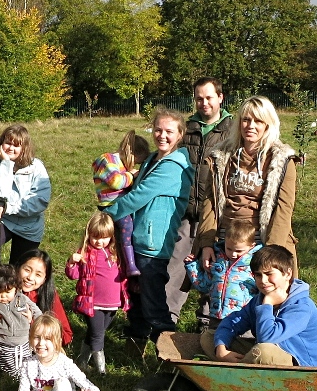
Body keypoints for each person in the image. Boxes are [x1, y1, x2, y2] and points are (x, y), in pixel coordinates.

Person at [103, 108, 192, 342]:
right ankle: (135, 347)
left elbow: (138, 196)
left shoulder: (174, 166)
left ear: (180, 134)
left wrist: (106, 215)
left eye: (169, 131)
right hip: (138, 239)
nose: (162, 135)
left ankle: (169, 353)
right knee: (137, 300)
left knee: (154, 305)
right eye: (158, 129)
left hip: (153, 244)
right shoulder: (152, 159)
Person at [195, 95, 299, 273]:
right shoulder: (220, 156)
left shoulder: (282, 160)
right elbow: (209, 204)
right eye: (246, 120)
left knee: (265, 296)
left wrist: (271, 253)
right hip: (225, 242)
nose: (251, 126)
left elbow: (284, 209)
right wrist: (206, 244)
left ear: (268, 124)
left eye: (258, 121)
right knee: (221, 296)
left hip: (262, 241)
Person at [166, 78, 236, 320]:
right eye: (199, 98)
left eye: (208, 97)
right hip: (186, 211)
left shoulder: (232, 129)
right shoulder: (187, 129)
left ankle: (208, 319)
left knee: (214, 265)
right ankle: (167, 319)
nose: (204, 102)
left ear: (220, 97)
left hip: (217, 212)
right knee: (175, 267)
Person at [210, 245, 317, 367]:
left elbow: (267, 338)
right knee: (210, 337)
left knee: (263, 351)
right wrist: (221, 349)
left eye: (269, 273)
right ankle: (238, 366)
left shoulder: (301, 307)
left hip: (302, 363)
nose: (263, 280)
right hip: (267, 352)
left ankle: (236, 371)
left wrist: (267, 304)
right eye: (258, 275)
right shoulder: (258, 300)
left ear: (287, 274)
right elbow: (232, 322)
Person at [0, 124, 51, 287]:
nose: (10, 148)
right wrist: (5, 163)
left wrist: (7, 207)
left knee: (19, 267)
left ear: (24, 148)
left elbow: (40, 201)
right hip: (2, 220)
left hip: (29, 226)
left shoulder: (37, 168)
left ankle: (14, 300)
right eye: (7, 143)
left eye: (16, 145)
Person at [65, 212, 129, 375]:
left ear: (111, 237)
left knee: (96, 333)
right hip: (92, 303)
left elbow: (122, 276)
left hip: (113, 303)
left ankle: (81, 361)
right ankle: (102, 370)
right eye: (95, 237)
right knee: (98, 335)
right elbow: (73, 275)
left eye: (104, 238)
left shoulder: (115, 253)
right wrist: (72, 262)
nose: (99, 242)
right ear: (89, 235)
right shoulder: (85, 253)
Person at [12, 315, 101, 391]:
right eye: (37, 337)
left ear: (57, 342)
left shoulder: (64, 363)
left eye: (47, 339)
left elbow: (86, 383)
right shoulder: (28, 364)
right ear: (30, 339)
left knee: (61, 382)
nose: (41, 343)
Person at [186, 218, 262, 351]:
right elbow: (204, 284)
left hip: (242, 320)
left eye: (239, 251)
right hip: (217, 318)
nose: (233, 254)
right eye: (229, 248)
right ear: (224, 242)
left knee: (242, 346)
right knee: (214, 344)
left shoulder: (255, 266)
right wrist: (192, 266)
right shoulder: (218, 262)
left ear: (252, 246)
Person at [93, 130, 150, 276]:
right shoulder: (107, 160)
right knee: (127, 226)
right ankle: (130, 264)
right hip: (112, 205)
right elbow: (116, 182)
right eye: (137, 160)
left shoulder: (122, 165)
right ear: (132, 155)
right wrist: (131, 175)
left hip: (122, 204)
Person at [0, 264, 41, 378]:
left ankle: (26, 378)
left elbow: (36, 310)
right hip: (3, 341)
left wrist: (40, 324)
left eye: (8, 292)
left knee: (27, 361)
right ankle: (10, 379)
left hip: (24, 340)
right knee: (7, 364)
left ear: (15, 288)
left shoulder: (21, 299)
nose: (3, 296)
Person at [16, 250, 73, 346]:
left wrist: (33, 323)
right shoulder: (3, 288)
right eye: (27, 270)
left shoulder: (49, 295)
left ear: (44, 280)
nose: (30, 277)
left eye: (38, 275)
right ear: (18, 268)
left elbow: (65, 335)